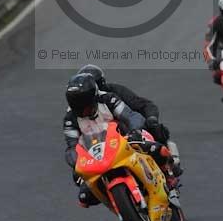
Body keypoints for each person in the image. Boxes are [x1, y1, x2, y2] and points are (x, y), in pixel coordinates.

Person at [64, 73, 177, 208]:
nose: (83, 111)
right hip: (96, 155)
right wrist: (76, 162)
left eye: (86, 106)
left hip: (122, 141)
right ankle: (118, 201)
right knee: (84, 196)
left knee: (157, 149)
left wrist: (135, 131)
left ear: (93, 98)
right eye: (78, 107)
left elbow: (131, 116)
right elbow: (71, 146)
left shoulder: (108, 99)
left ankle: (168, 175)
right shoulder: (70, 119)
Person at [77, 64, 182, 174]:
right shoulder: (79, 110)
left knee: (156, 129)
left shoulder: (114, 92)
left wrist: (151, 120)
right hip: (101, 144)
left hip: (128, 132)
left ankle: (170, 166)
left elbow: (145, 105)